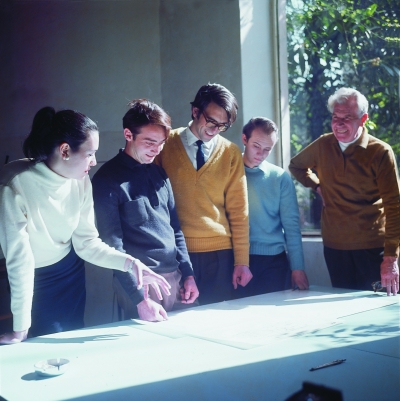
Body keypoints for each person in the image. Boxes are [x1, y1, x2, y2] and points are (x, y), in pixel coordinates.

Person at [0, 107, 170, 345]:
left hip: (69, 271)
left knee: (69, 338)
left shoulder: (81, 181)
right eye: (90, 153)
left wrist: (131, 263)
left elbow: (87, 244)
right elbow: (20, 260)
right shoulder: (14, 184)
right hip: (33, 277)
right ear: (65, 150)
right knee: (37, 345)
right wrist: (20, 328)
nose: (93, 161)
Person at [92, 99, 199, 322]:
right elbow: (113, 246)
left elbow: (175, 229)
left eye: (161, 143)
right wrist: (139, 298)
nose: (157, 150)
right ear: (128, 134)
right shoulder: (107, 179)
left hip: (177, 280)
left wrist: (188, 274)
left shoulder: (159, 174)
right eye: (150, 142)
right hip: (141, 284)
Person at [289, 87, 400, 296]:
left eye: (347, 117)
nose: (338, 124)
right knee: (343, 310)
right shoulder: (323, 144)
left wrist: (390, 259)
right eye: (335, 117)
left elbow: (394, 207)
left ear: (363, 119)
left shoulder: (381, 151)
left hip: (372, 248)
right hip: (334, 247)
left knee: (377, 312)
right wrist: (318, 186)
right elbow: (296, 166)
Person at [155, 83, 252, 305]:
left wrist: (242, 261)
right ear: (195, 111)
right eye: (211, 121)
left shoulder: (231, 153)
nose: (215, 129)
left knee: (217, 324)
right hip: (176, 253)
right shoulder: (165, 144)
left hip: (220, 255)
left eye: (223, 125)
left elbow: (239, 212)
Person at [236, 117, 309, 297]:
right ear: (244, 139)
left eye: (267, 149)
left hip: (274, 263)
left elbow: (291, 226)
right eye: (256, 146)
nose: (261, 153)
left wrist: (297, 268)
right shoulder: (229, 172)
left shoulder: (280, 178)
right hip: (237, 260)